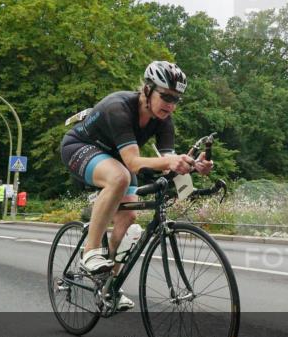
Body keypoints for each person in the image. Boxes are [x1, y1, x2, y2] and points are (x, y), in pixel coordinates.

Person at [59, 61, 213, 311]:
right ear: (148, 89)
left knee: (129, 216)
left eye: (177, 100)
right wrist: (171, 161)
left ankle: (108, 287)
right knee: (119, 176)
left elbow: (166, 164)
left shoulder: (164, 120)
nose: (171, 105)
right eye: (166, 97)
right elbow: (132, 161)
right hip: (80, 147)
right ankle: (90, 252)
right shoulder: (118, 107)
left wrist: (193, 165)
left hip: (117, 160)